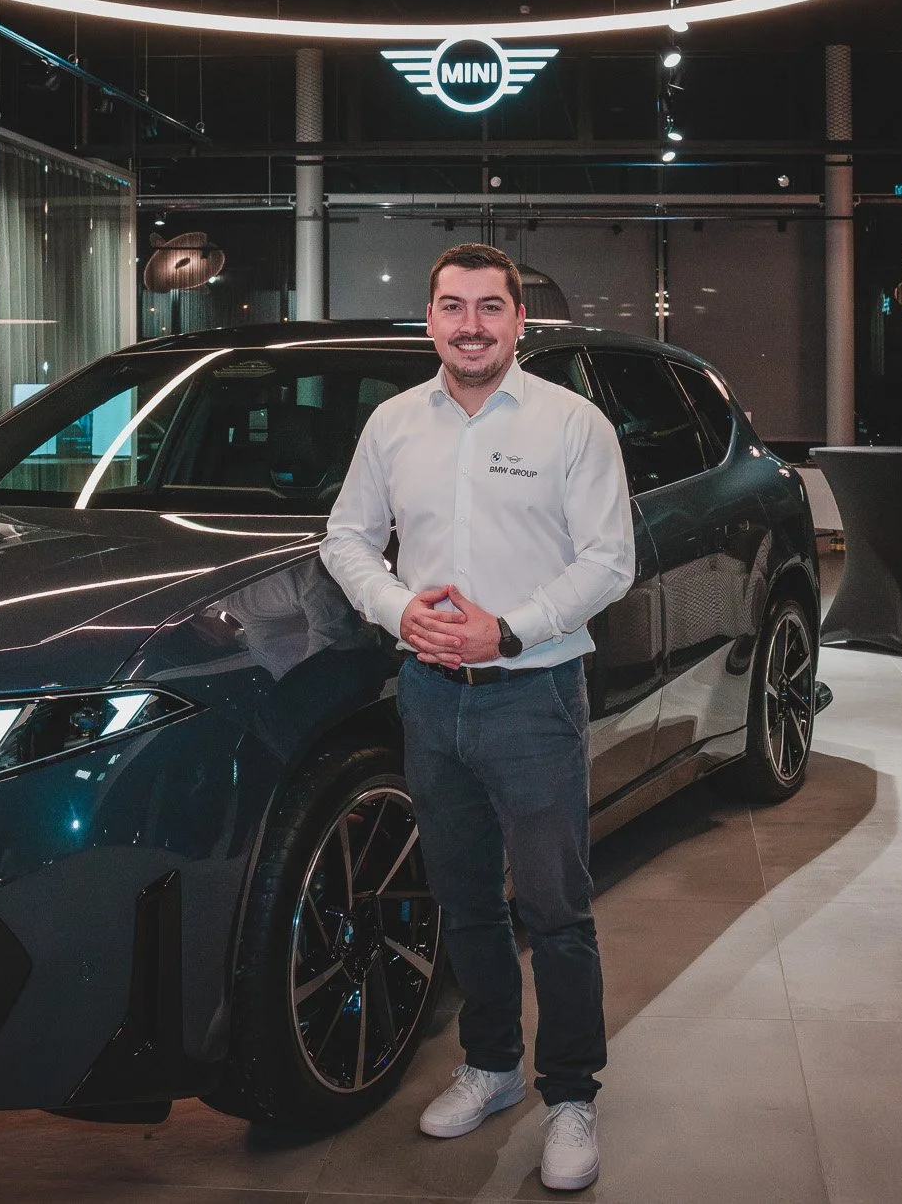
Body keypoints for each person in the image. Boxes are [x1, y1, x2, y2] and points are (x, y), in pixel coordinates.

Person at [320, 242, 636, 1192]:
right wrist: (394, 607)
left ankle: (572, 1093)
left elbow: (607, 560)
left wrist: (512, 631)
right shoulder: (391, 425)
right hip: (427, 697)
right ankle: (494, 1066)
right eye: (452, 306)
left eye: (489, 307)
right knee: (462, 898)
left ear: (518, 321)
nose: (470, 324)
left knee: (556, 909)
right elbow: (345, 537)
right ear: (429, 320)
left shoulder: (572, 425)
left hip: (534, 697)